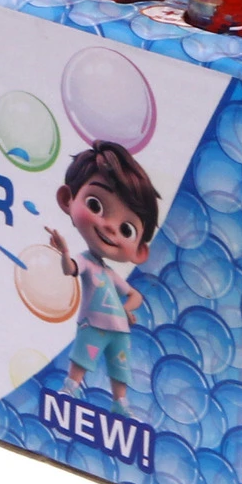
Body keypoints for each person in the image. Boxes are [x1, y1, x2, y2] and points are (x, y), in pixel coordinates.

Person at [46, 141, 160, 410]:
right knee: (82, 357)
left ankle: (120, 404)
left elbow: (135, 295)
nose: (110, 227)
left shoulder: (110, 273)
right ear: (67, 198)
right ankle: (70, 388)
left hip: (119, 329)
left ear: (140, 250)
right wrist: (64, 251)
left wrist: (124, 310)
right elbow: (70, 269)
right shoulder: (86, 261)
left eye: (127, 229)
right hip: (93, 325)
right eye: (95, 205)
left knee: (119, 367)